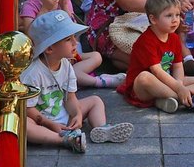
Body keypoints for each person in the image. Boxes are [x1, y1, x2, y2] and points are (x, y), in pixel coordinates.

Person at [21, 11, 134, 153]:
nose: (75, 42)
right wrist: (48, 123)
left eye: (74, 37)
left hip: (63, 115)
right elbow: (28, 109)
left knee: (95, 101)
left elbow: (70, 97)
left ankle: (102, 129)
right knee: (24, 125)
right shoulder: (32, 73)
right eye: (68, 39)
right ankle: (63, 140)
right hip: (42, 122)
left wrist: (77, 114)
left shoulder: (66, 65)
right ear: (49, 48)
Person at [116, 0, 194, 113]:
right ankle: (186, 100)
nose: (175, 20)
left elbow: (178, 66)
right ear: (153, 19)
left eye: (177, 15)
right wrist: (179, 89)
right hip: (142, 89)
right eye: (169, 15)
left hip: (166, 81)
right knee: (144, 77)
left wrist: (179, 84)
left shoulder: (174, 38)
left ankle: (163, 100)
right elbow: (156, 71)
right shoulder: (146, 41)